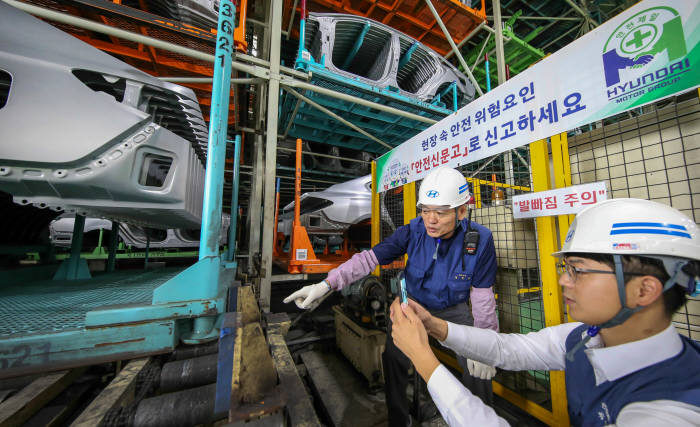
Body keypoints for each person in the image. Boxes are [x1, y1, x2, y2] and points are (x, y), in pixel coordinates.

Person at [389, 198, 700, 426]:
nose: (563, 280)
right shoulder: (587, 338)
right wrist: (434, 325)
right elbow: (508, 349)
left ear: (644, 290)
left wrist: (423, 360)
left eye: (578, 270)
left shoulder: (670, 412)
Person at [284, 166, 499, 425]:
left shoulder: (480, 241)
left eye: (440, 213)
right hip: (413, 306)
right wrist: (326, 285)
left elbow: (483, 298)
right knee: (394, 359)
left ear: (462, 211)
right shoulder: (413, 231)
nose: (430, 219)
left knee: (480, 366)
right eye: (425, 210)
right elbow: (368, 259)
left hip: (453, 309)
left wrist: (485, 343)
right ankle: (399, 420)